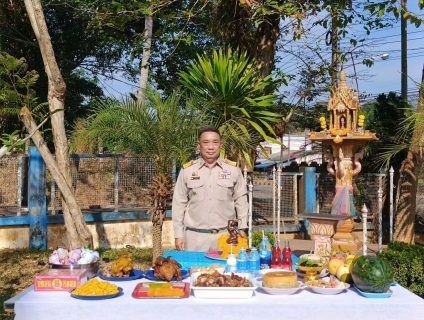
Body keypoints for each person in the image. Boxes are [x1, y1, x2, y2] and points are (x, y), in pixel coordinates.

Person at [172, 126, 248, 252]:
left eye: (215, 142)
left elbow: (241, 200)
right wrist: (178, 234)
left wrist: (242, 227)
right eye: (206, 142)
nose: (211, 147)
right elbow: (179, 203)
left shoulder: (233, 170)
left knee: (226, 271)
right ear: (199, 145)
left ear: (220, 144)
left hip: (226, 236)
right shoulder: (188, 171)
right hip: (195, 237)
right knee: (194, 271)